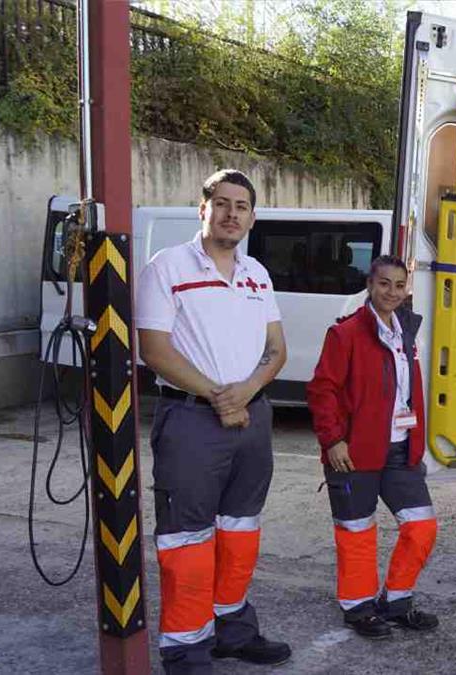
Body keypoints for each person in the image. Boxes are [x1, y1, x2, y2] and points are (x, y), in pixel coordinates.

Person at [136, 169, 291, 674]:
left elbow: (276, 349)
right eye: (221, 203)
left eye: (241, 206)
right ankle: (184, 647)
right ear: (202, 207)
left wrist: (246, 392)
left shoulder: (256, 274)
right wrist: (218, 396)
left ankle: (233, 630)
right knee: (186, 537)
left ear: (251, 215)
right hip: (191, 420)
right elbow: (154, 350)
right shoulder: (168, 266)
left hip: (251, 416)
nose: (231, 214)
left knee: (240, 530)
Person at [306, 255, 439, 640]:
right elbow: (322, 390)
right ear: (369, 284)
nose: (392, 292)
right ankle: (358, 607)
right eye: (384, 284)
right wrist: (332, 440)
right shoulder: (345, 334)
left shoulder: (407, 330)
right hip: (354, 452)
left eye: (400, 285)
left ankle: (396, 601)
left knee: (421, 527)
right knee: (357, 533)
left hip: (400, 452)